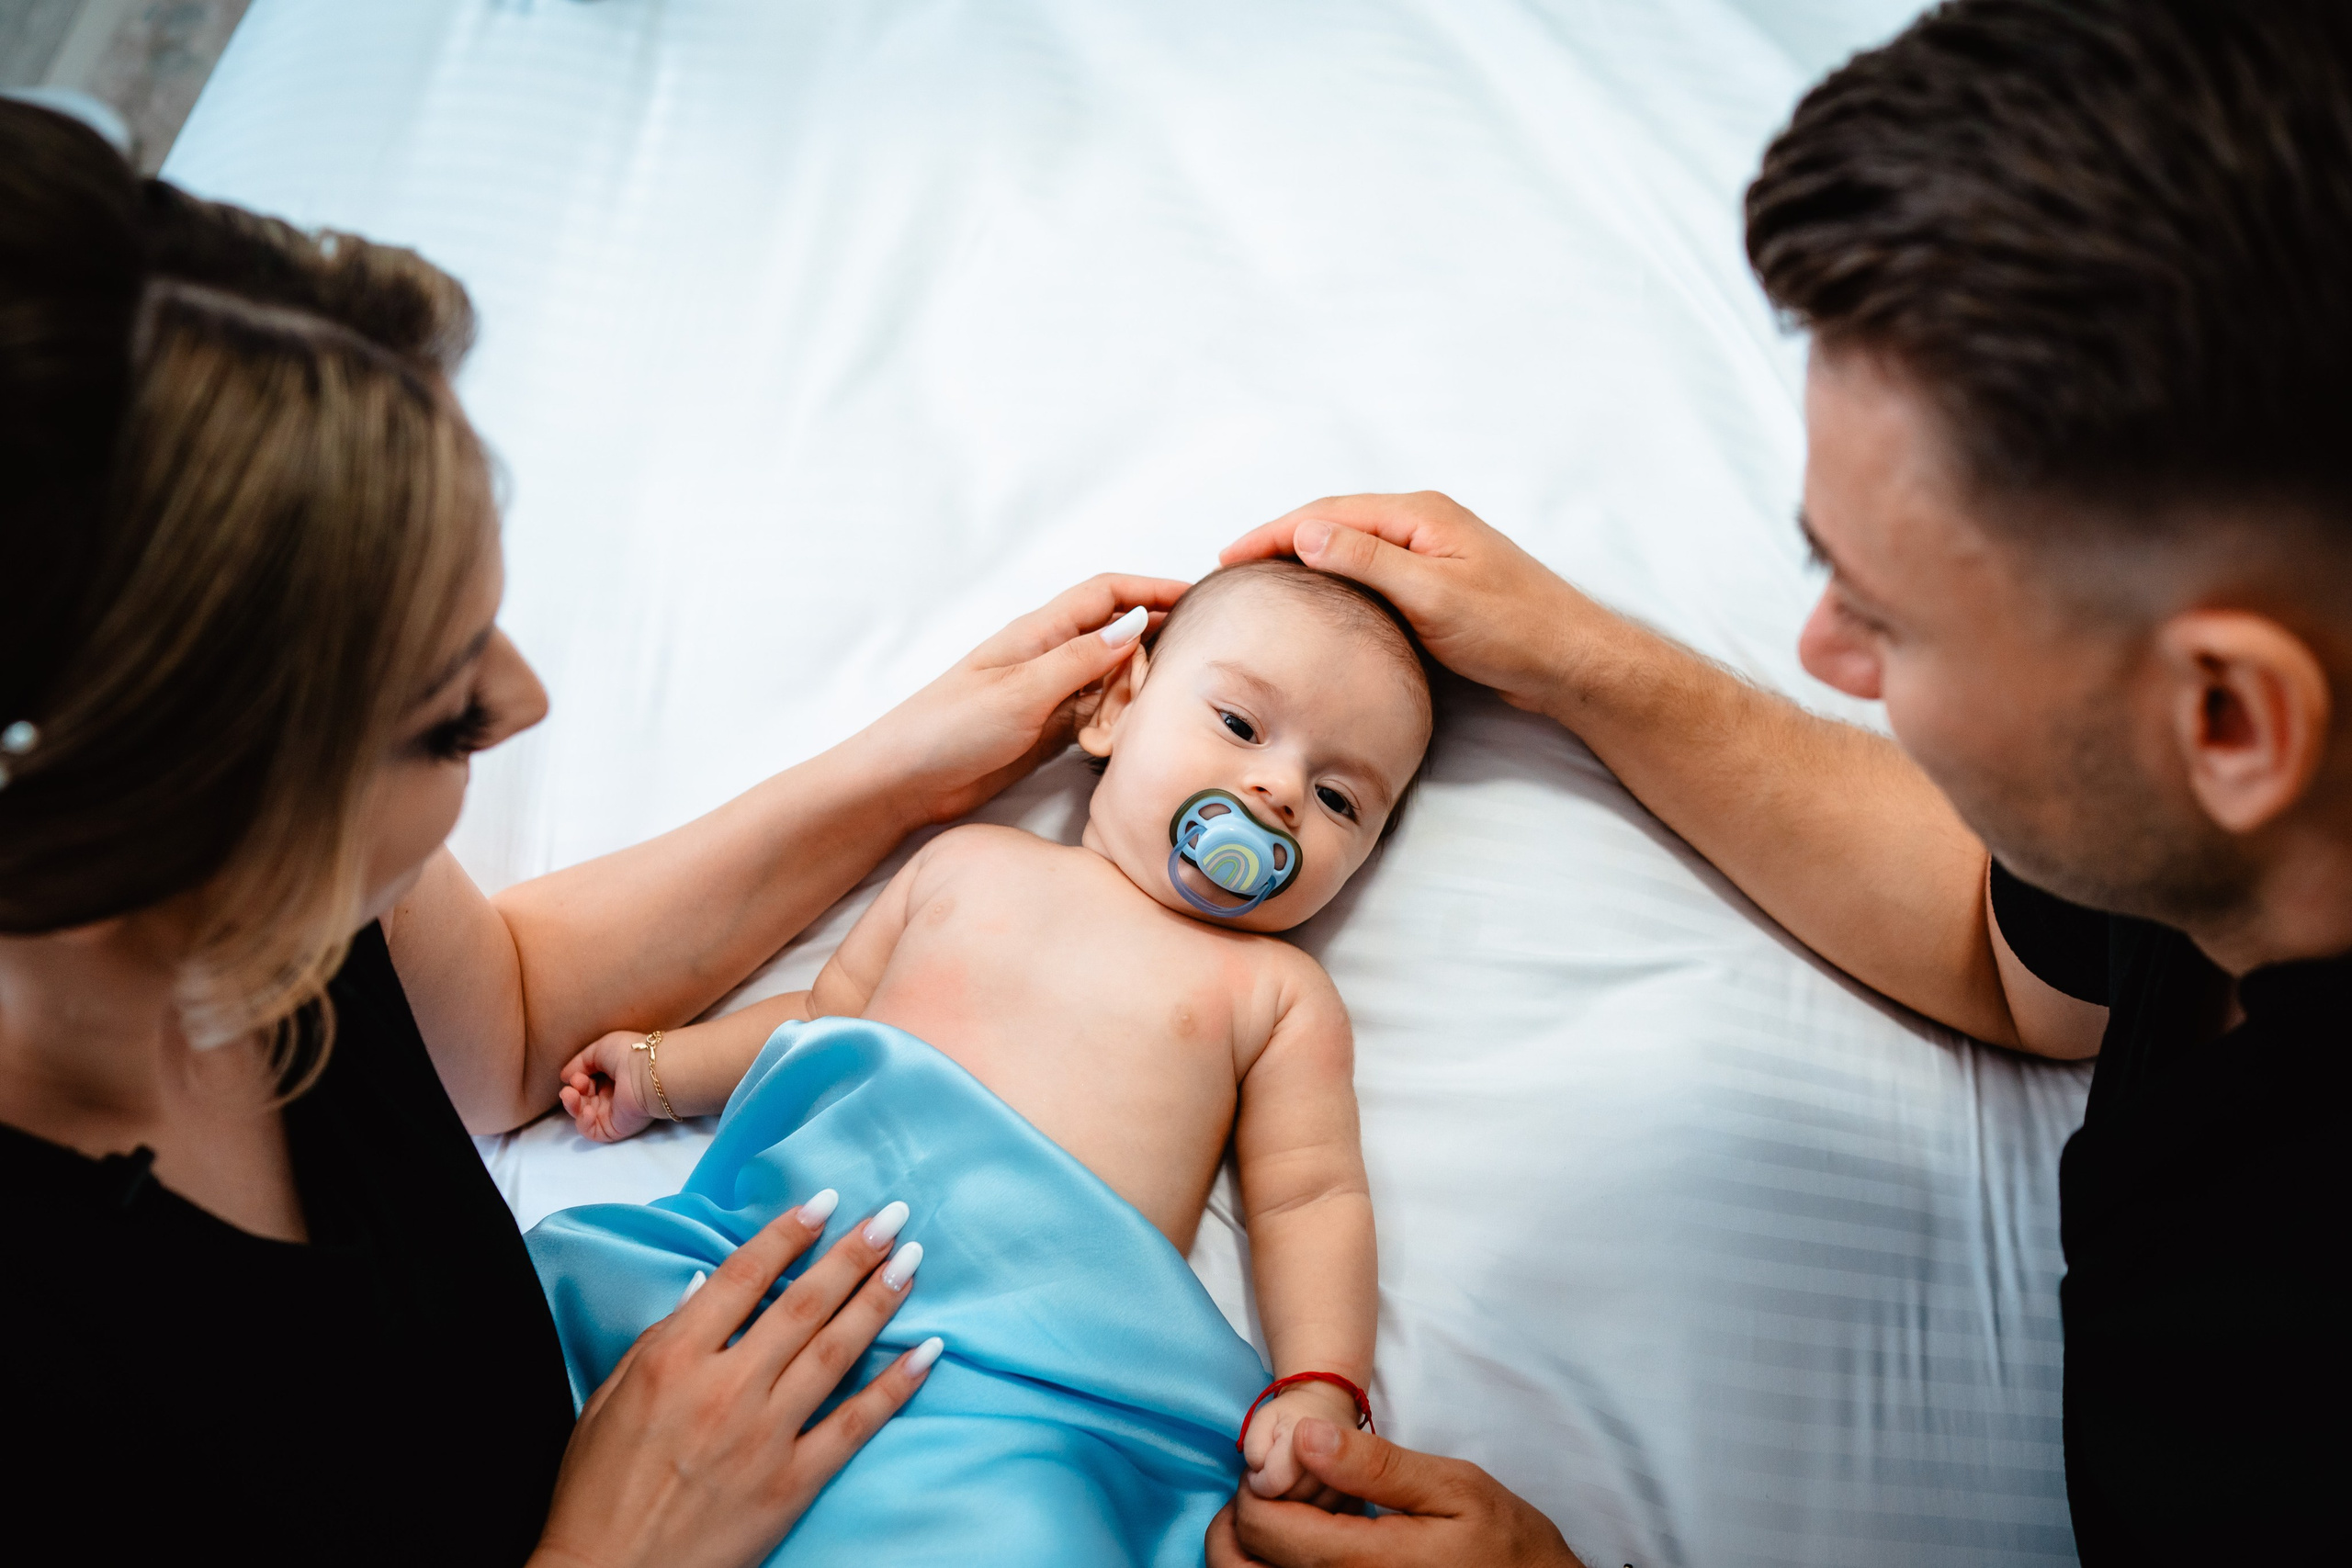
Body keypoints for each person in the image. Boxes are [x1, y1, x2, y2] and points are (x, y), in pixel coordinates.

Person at [1204, 0, 2346, 1563]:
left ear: (2227, 721)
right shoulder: (2233, 835)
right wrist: (1583, 659)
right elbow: (2012, 954)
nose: (1821, 651)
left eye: (1883, 611)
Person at [0, 100, 1184, 1565]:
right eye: (441, 713)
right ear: (166, 805)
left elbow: (495, 1019)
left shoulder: (282, 885)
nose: (526, 699)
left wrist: (906, 771)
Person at [545, 561, 1430, 1555]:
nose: (1277, 791)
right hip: (785, 1272)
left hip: (1027, 1378)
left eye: (1341, 798)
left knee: (1025, 1529)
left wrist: (1319, 1383)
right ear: (1116, 707)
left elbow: (1307, 1200)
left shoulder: (1276, 995)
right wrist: (662, 1074)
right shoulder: (967, 863)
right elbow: (822, 1020)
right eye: (1238, 726)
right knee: (559, 1306)